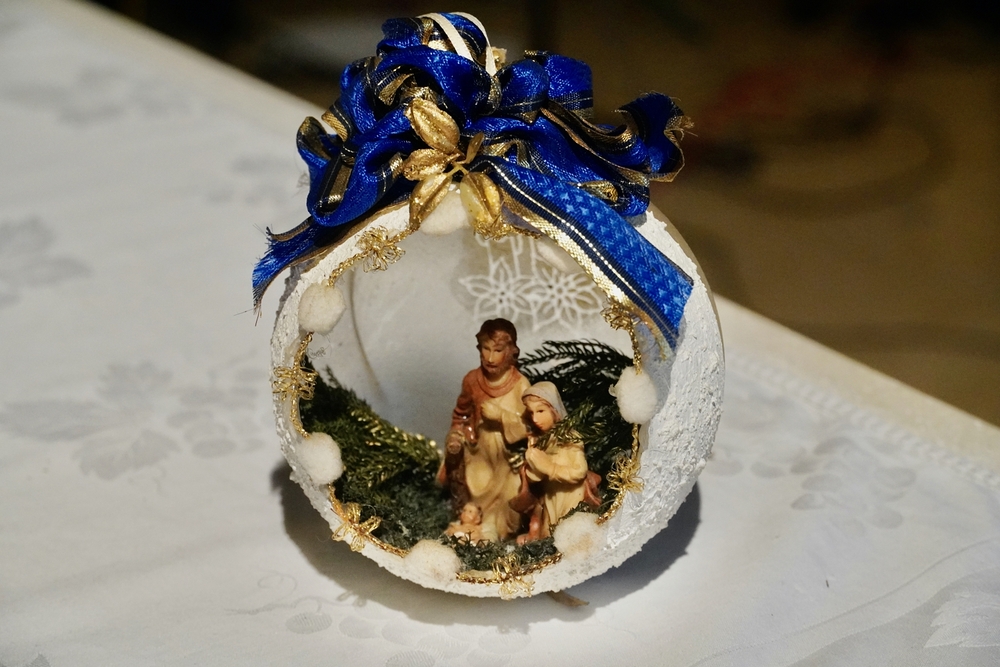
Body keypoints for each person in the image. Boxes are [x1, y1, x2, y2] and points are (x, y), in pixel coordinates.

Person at [442, 319, 530, 542]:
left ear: (511, 352)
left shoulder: (521, 385)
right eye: (485, 349)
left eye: (498, 350)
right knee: (475, 489)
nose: (490, 358)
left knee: (512, 496)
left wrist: (501, 416)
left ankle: (499, 533)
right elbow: (461, 414)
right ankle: (474, 530)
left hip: (509, 458)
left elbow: (532, 425)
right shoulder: (472, 380)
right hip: (479, 452)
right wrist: (456, 435)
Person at [515, 382, 600, 542]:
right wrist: (533, 464)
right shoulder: (540, 440)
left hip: (571, 499)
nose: (535, 419)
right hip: (550, 500)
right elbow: (537, 479)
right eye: (531, 412)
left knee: (569, 537)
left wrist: (549, 467)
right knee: (548, 538)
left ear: (554, 409)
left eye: (540, 411)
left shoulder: (569, 437)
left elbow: (579, 472)